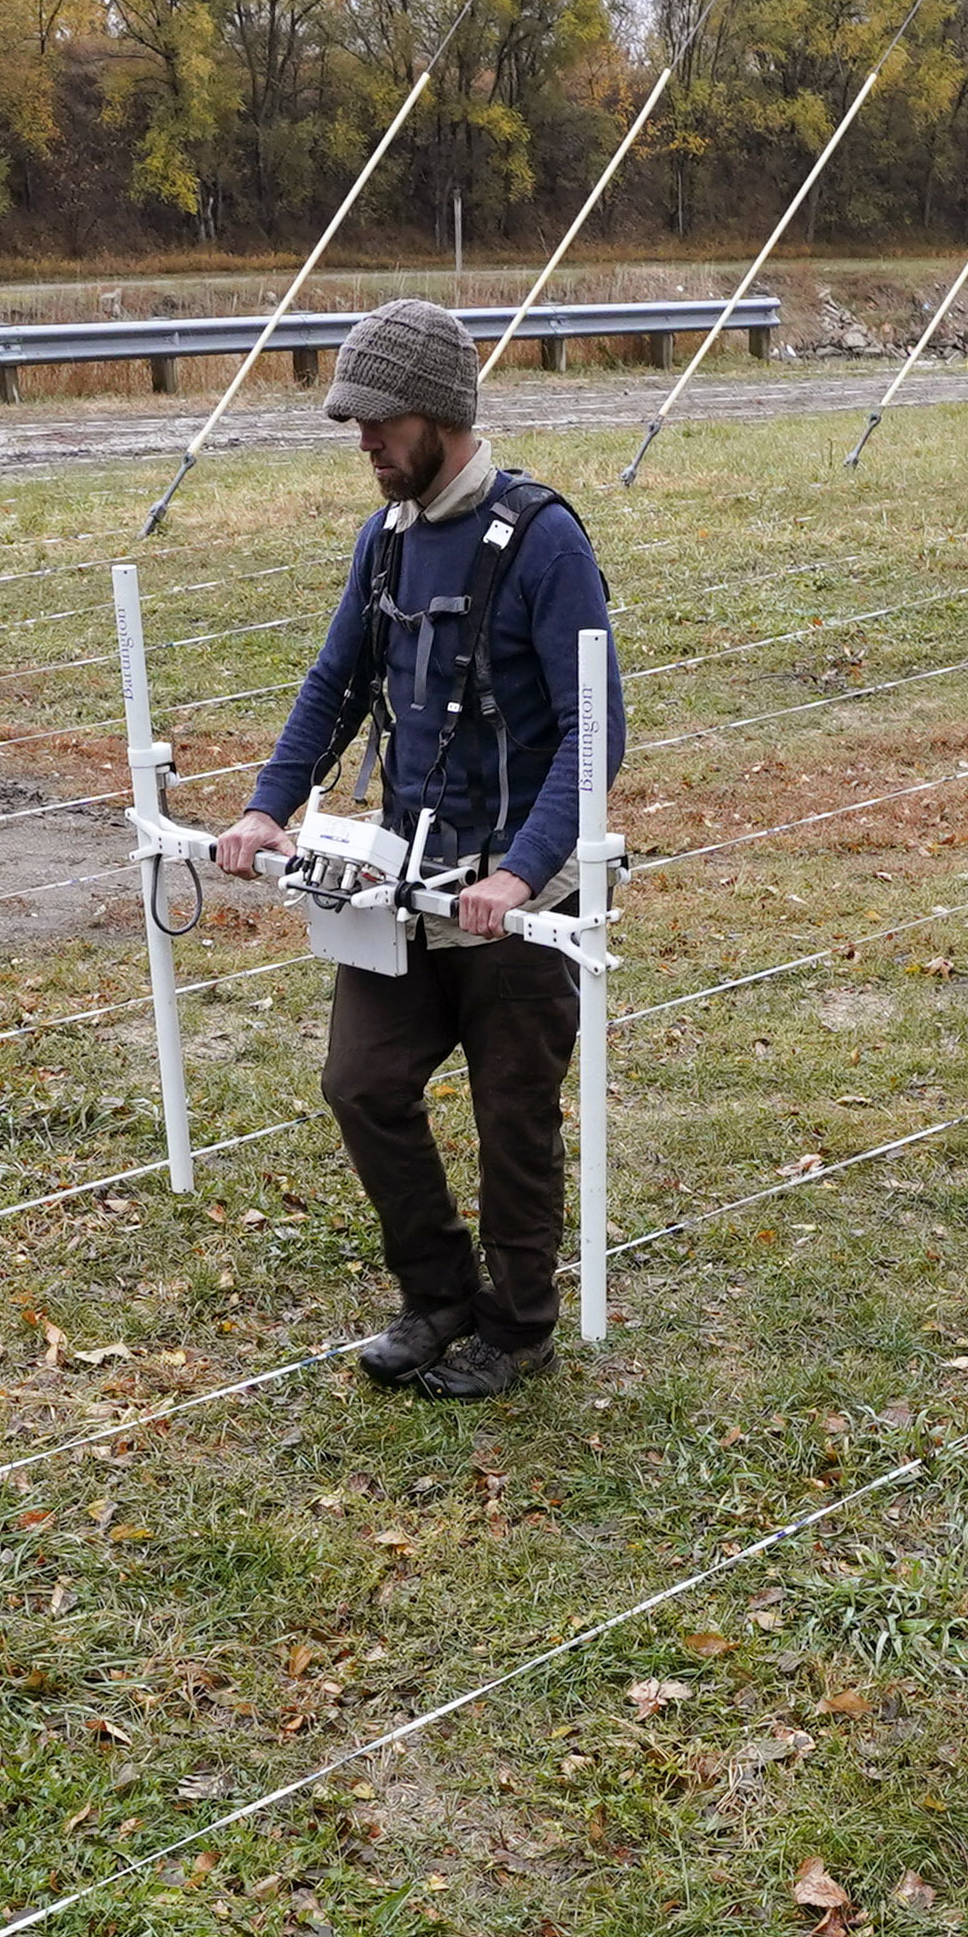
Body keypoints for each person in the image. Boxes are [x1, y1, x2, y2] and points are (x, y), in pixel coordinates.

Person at [207, 296, 624, 1403]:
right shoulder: (384, 542)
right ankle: (437, 1295)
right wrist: (264, 807)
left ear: (439, 413)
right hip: (405, 883)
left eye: (379, 421)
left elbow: (596, 730)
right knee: (362, 1082)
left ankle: (518, 1324)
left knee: (511, 1116)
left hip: (520, 896)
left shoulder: (545, 541)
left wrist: (520, 872)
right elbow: (334, 684)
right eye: (354, 424)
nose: (365, 443)